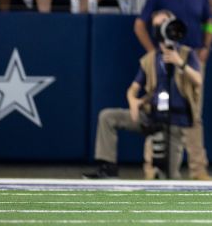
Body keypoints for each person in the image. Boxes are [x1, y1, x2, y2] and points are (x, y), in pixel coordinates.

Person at [85, 9, 203, 180]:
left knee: (169, 175)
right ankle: (107, 167)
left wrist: (180, 63)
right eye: (159, 25)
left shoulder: (186, 54)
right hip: (152, 116)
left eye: (166, 23)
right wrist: (133, 102)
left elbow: (198, 80)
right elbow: (133, 88)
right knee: (108, 117)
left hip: (175, 121)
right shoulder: (150, 59)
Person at [135, 0, 212, 181]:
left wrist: (206, 47)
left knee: (194, 115)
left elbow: (209, 23)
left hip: (190, 61)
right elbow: (140, 25)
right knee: (158, 113)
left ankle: (198, 170)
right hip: (165, 61)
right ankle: (153, 169)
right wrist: (153, 53)